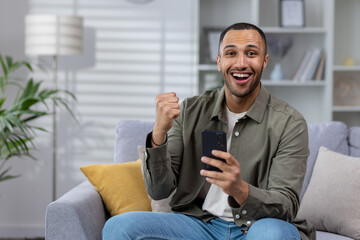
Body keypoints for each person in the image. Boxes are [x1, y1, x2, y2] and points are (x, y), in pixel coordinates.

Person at [103, 22, 316, 240]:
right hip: (198, 224)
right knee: (118, 227)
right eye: (231, 53)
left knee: (273, 235)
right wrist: (159, 134)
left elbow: (286, 204)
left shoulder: (290, 123)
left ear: (264, 62)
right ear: (219, 61)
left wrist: (239, 189)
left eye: (251, 53)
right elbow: (159, 191)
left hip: (256, 226)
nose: (241, 63)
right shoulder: (189, 111)